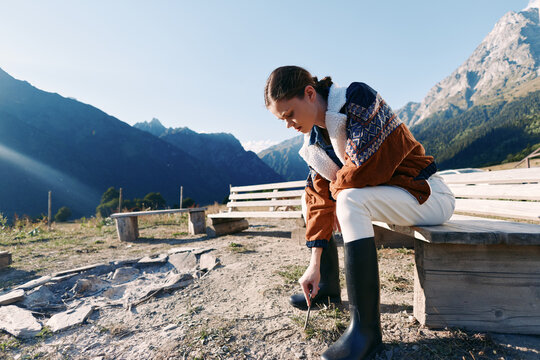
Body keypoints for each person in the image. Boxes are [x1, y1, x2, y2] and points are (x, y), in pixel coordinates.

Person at [264, 66, 455, 360]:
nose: (288, 124)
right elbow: (318, 198)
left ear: (310, 93)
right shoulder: (314, 141)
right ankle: (325, 285)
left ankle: (365, 332)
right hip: (392, 198)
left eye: (289, 114)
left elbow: (370, 164)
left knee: (349, 199)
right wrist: (314, 262)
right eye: (282, 120)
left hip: (425, 193)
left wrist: (337, 197)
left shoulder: (357, 98)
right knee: (312, 199)